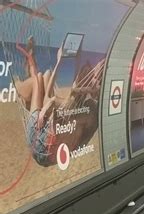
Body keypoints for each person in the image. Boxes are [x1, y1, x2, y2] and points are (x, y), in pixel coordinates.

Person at [13, 36, 101, 166]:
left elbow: (54, 98)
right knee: (46, 76)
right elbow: (80, 144)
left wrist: (60, 61)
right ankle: (30, 60)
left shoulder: (72, 107)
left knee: (38, 79)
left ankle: (19, 83)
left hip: (41, 142)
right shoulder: (86, 110)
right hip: (47, 150)